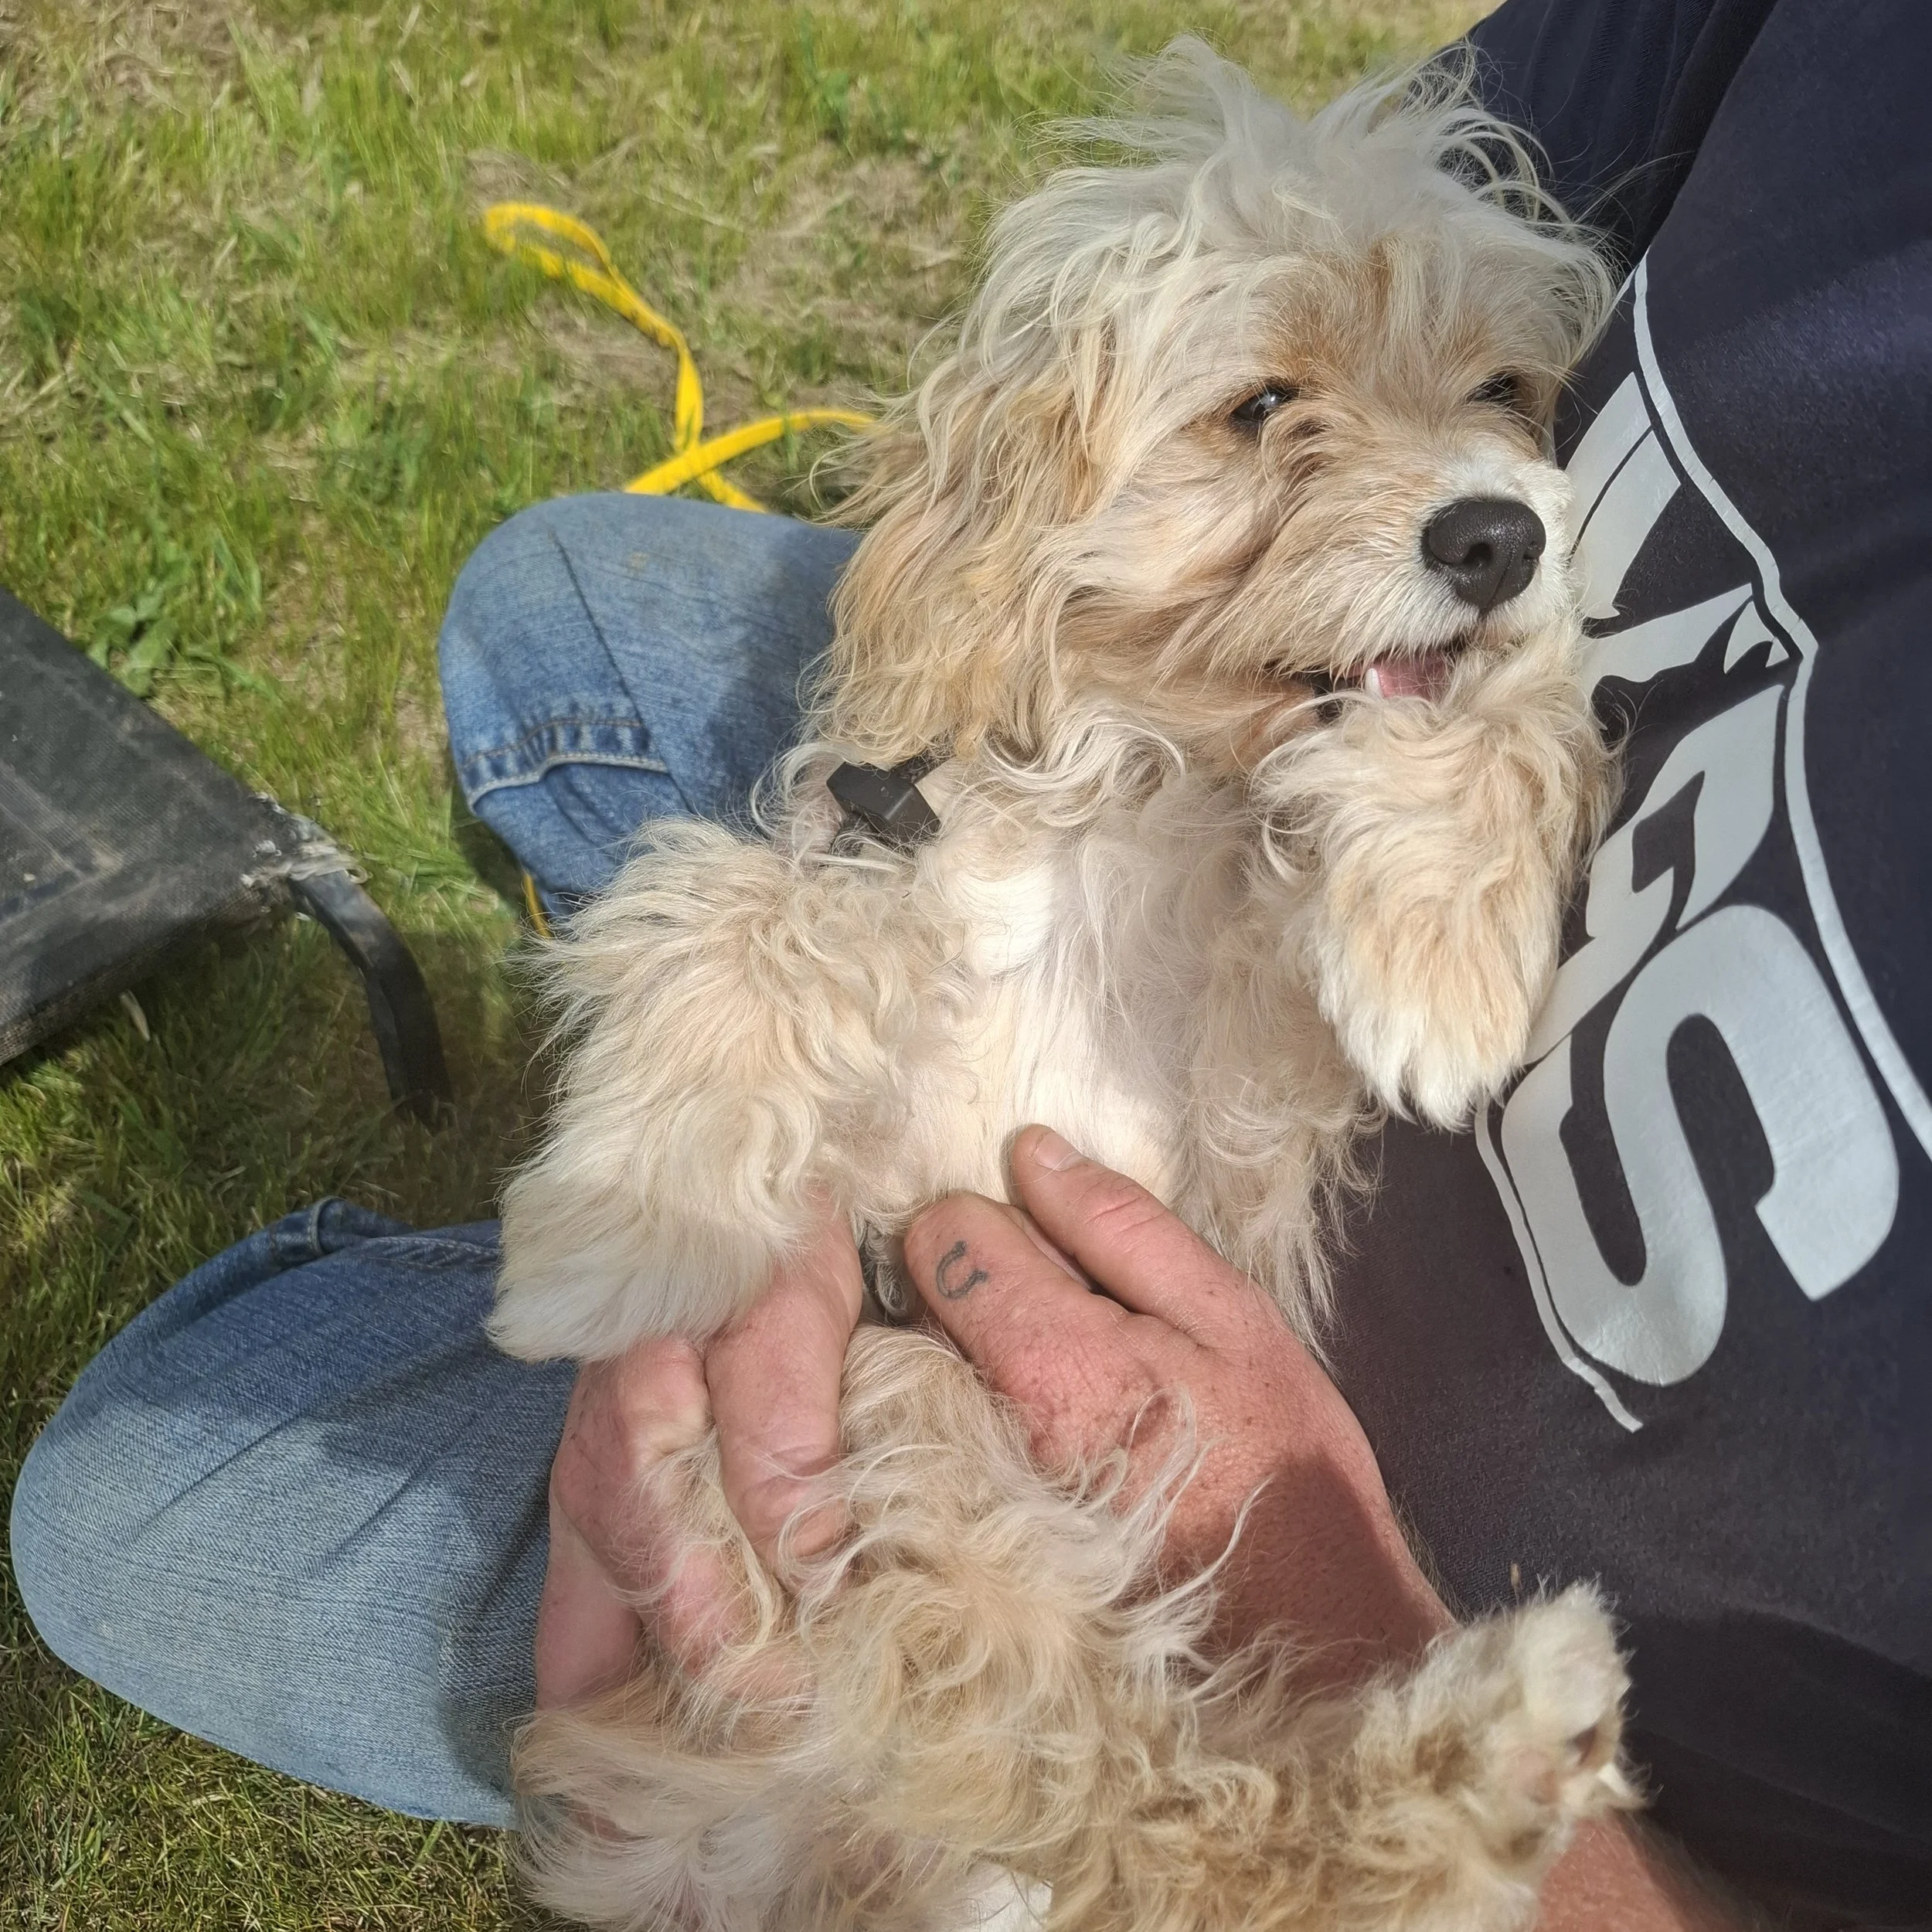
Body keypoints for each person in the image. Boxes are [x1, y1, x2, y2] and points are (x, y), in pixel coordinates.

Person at [10, 0, 1927, 1923]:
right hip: (1104, 852)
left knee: (124, 1509)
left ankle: (1197, 1848)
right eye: (1270, 414)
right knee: (553, 612)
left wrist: (1318, 1583)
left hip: (1253, 1479)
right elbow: (1410, 183)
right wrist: (786, 1010)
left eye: (1491, 403)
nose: (1466, 485)